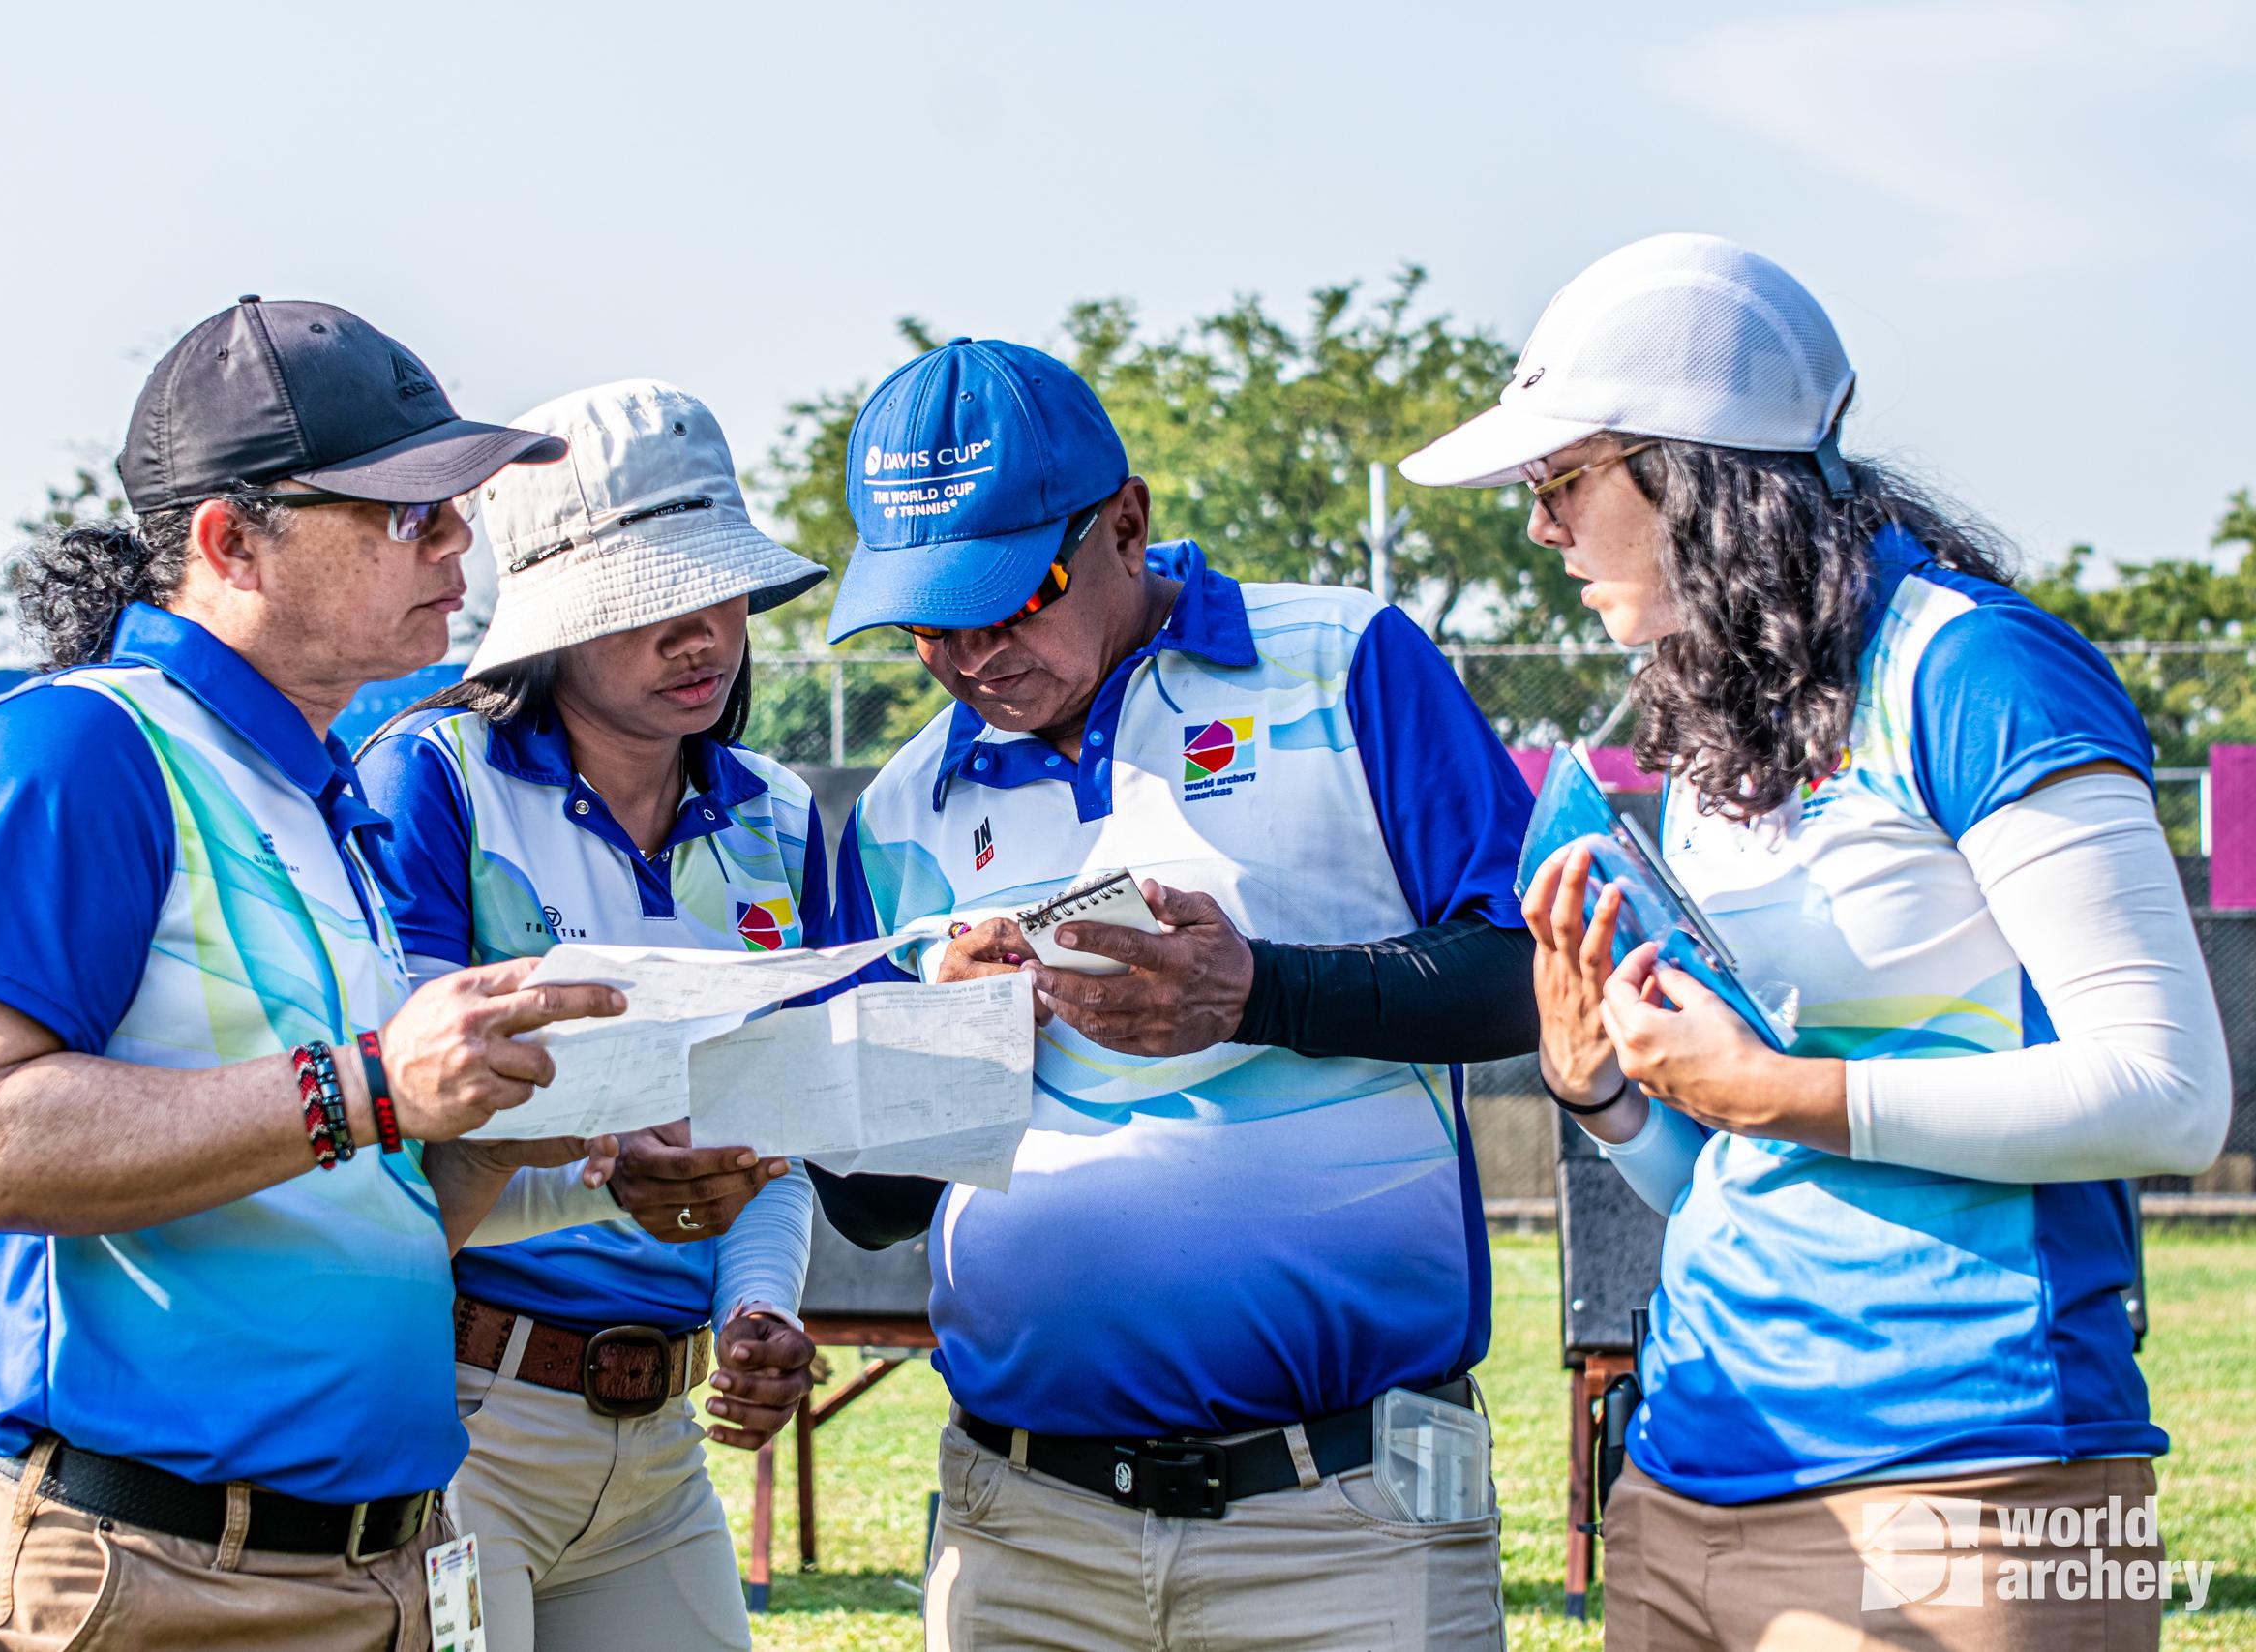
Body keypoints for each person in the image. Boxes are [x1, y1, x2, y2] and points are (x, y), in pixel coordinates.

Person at [1402, 233, 2232, 1651]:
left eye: (1561, 480)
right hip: (1686, 1480)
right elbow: (1734, 1164)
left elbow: (2171, 1094)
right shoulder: (1735, 714)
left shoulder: (1975, 668)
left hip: (1974, 1490)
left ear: (1697, 467)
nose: (1538, 528)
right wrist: (1604, 1089)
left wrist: (1788, 1090)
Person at [0, 297, 629, 1651]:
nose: (463, 541)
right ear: (232, 542)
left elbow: (359, 1201)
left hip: (377, 1573)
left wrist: (562, 1149)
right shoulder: (74, 751)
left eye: (456, 506)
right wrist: (369, 1085)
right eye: (410, 513)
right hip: (148, 1580)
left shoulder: (319, 788)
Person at [815, 337, 1537, 1651]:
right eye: (928, 622)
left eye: (1009, 598)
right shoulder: (901, 805)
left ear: (1127, 524)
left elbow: (1532, 983)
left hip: (1349, 1521)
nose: (972, 656)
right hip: (1026, 1533)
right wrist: (952, 1044)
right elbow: (868, 1210)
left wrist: (1256, 992)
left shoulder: (1345, 659)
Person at [357, 379, 827, 1651]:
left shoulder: (779, 816)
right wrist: (612, 1177)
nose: (703, 636)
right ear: (551, 623)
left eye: (720, 588)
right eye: (648, 602)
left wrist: (757, 1307)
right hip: (458, 1424)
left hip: (661, 1448)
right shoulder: (428, 782)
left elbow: (772, 1138)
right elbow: (402, 1158)